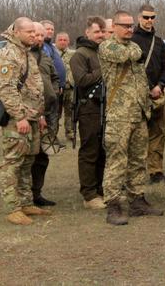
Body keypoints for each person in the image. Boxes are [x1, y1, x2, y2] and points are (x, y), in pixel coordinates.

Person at [99, 10, 163, 225]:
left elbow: (137, 54)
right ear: (114, 26)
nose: (129, 29)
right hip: (119, 115)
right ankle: (114, 205)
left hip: (138, 113)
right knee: (117, 161)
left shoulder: (134, 45)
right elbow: (127, 55)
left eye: (130, 26)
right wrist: (135, 51)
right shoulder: (107, 46)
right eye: (125, 26)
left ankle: (137, 200)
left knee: (138, 160)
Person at [0, 18, 48, 226]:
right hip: (17, 119)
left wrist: (39, 115)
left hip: (32, 117)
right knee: (13, 162)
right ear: (16, 32)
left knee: (28, 161)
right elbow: (6, 90)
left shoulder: (26, 53)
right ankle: (12, 208)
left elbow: (34, 88)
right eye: (29, 32)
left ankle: (26, 202)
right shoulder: (8, 55)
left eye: (35, 33)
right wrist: (20, 117)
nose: (33, 36)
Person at [130, 5, 165, 184]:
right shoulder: (131, 40)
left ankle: (156, 171)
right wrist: (146, 88)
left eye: (152, 17)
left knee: (158, 133)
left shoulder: (159, 42)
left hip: (157, 94)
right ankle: (133, 173)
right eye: (146, 17)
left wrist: (160, 85)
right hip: (138, 96)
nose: (149, 21)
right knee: (137, 136)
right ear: (139, 18)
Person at [71, 16, 107, 210]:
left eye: (103, 32)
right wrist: (104, 69)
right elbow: (82, 80)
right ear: (87, 32)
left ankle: (100, 189)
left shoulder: (103, 51)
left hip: (105, 107)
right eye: (97, 32)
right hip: (89, 109)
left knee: (103, 150)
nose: (100, 35)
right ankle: (89, 194)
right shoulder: (80, 54)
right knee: (90, 151)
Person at [30, 22, 60, 207]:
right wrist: (37, 113)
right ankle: (25, 197)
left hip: (49, 111)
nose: (39, 38)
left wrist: (54, 92)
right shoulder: (23, 57)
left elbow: (55, 77)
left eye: (42, 36)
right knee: (29, 156)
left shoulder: (46, 56)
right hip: (32, 114)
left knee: (43, 155)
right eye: (36, 35)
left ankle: (36, 192)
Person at [55, 31, 76, 143]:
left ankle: (70, 133)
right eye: (60, 40)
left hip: (70, 88)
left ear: (68, 41)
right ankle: (53, 134)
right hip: (57, 89)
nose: (62, 42)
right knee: (56, 113)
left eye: (65, 40)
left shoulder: (74, 54)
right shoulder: (52, 54)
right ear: (56, 41)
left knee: (70, 112)